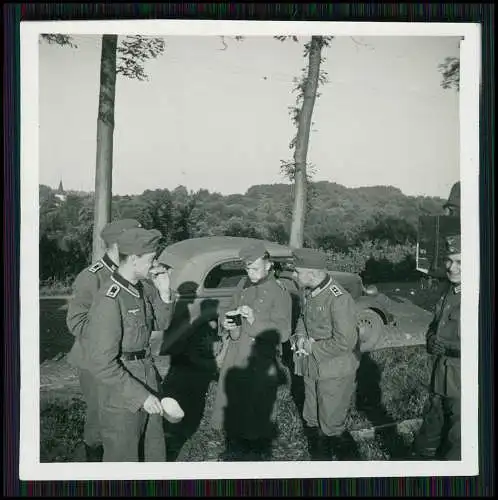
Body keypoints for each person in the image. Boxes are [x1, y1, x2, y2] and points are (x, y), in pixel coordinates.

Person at [79, 228, 175, 462]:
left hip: (147, 378)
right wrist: (140, 396)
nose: (155, 264)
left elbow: (161, 323)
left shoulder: (140, 289)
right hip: (121, 393)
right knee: (124, 458)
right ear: (133, 259)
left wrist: (164, 292)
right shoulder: (109, 299)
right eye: (151, 258)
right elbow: (102, 363)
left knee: (154, 451)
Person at [66, 218, 142, 462]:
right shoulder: (92, 277)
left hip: (122, 361)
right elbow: (76, 322)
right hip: (96, 361)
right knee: (99, 420)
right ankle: (95, 468)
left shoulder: (132, 273)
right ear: (119, 244)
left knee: (122, 416)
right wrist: (110, 334)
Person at [211, 241, 292, 460]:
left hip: (260, 355)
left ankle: (258, 445)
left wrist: (255, 320)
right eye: (247, 268)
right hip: (237, 351)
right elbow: (228, 308)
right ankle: (235, 438)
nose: (250, 272)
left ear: (268, 265)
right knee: (235, 396)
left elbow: (283, 332)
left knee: (258, 401)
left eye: (255, 268)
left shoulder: (280, 292)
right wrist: (226, 322)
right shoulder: (244, 284)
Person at [290, 248, 360, 460]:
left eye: (297, 272)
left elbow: (346, 342)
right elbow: (303, 317)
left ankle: (337, 457)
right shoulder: (310, 289)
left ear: (311, 274)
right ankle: (318, 451)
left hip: (334, 370)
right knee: (311, 413)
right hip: (313, 366)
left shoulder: (338, 298)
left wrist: (311, 347)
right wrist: (300, 335)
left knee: (330, 419)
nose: (294, 275)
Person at [410, 234, 461, 460]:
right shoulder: (448, 290)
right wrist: (431, 338)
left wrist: (448, 347)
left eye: (460, 262)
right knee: (432, 426)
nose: (452, 268)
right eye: (449, 260)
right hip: (441, 373)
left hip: (464, 379)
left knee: (459, 436)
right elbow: (436, 325)